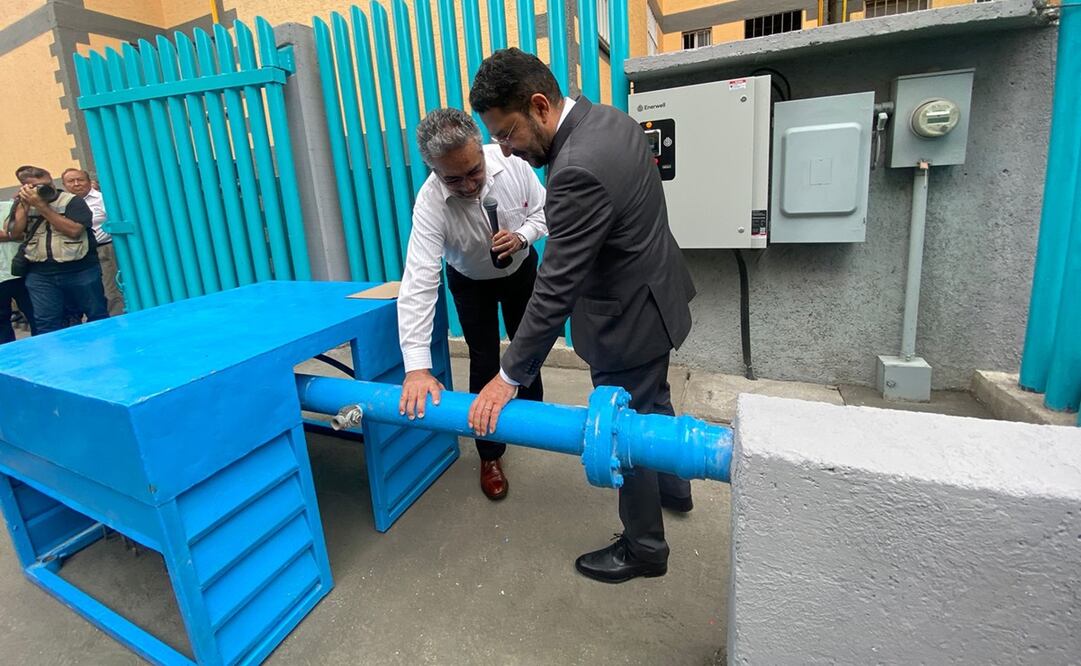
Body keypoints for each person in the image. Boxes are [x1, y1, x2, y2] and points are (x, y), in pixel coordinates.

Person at [466, 48, 697, 583]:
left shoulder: (575, 170)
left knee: (622, 428)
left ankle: (644, 548)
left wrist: (508, 376)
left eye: (506, 133)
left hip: (624, 321)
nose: (507, 150)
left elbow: (555, 287)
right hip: (656, 298)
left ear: (540, 106)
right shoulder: (611, 119)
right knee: (654, 398)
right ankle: (674, 487)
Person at [398, 108, 548, 500]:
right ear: (433, 170)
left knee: (527, 345)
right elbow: (418, 282)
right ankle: (489, 454)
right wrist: (416, 368)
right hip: (470, 281)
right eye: (453, 178)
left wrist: (522, 236)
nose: (468, 185)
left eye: (474, 171)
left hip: (519, 269)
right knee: (483, 360)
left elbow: (545, 211)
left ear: (480, 150)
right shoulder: (429, 203)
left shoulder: (511, 163)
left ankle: (535, 420)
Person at [8, 165, 108, 334]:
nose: (47, 189)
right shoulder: (23, 203)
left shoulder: (72, 201)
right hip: (41, 274)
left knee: (96, 315)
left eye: (48, 183)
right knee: (46, 322)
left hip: (80, 269)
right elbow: (15, 233)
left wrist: (42, 207)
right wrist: (23, 207)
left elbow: (74, 231)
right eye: (38, 186)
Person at [62, 168, 125, 315]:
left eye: (80, 180)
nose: (76, 184)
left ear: (89, 182)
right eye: (71, 181)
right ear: (64, 185)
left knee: (110, 290)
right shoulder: (60, 203)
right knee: (84, 293)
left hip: (102, 251)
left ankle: (115, 319)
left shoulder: (103, 200)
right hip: (72, 254)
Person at [0, 200, 37, 343]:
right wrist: (13, 234)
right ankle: (10, 360)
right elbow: (16, 233)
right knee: (1, 323)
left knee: (37, 316)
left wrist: (13, 234)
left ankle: (45, 353)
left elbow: (29, 233)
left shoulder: (11, 206)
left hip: (22, 270)